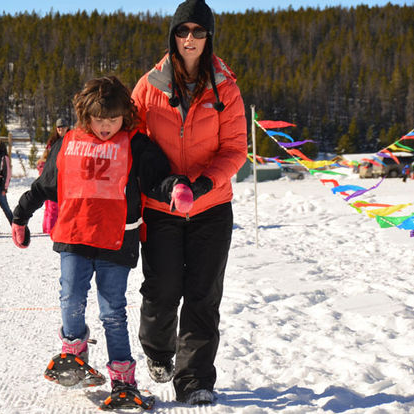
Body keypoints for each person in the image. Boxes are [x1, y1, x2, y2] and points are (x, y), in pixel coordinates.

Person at [11, 76, 175, 410]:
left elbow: (159, 178)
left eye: (113, 119)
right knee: (70, 295)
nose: (105, 126)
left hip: (116, 240)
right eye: (98, 119)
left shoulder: (135, 144)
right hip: (75, 235)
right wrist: (20, 215)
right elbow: (45, 185)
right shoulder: (69, 142)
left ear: (124, 116)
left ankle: (123, 380)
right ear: (86, 115)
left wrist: (177, 188)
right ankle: (74, 353)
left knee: (112, 310)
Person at [131, 0, 248, 405]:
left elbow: (236, 149)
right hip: (161, 208)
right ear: (173, 36)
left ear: (209, 37)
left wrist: (204, 184)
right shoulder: (149, 85)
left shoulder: (226, 87)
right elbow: (134, 140)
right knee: (162, 290)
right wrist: (162, 184)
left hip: (211, 207)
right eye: (183, 31)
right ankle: (158, 352)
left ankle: (194, 379)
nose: (190, 39)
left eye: (198, 32)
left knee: (202, 295)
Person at [35, 118, 69, 234]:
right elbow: (44, 160)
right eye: (59, 127)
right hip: (51, 177)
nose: (61, 129)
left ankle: (58, 229)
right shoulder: (52, 142)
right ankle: (49, 230)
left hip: (65, 178)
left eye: (63, 127)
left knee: (63, 207)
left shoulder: (71, 140)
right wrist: (43, 171)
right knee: (51, 206)